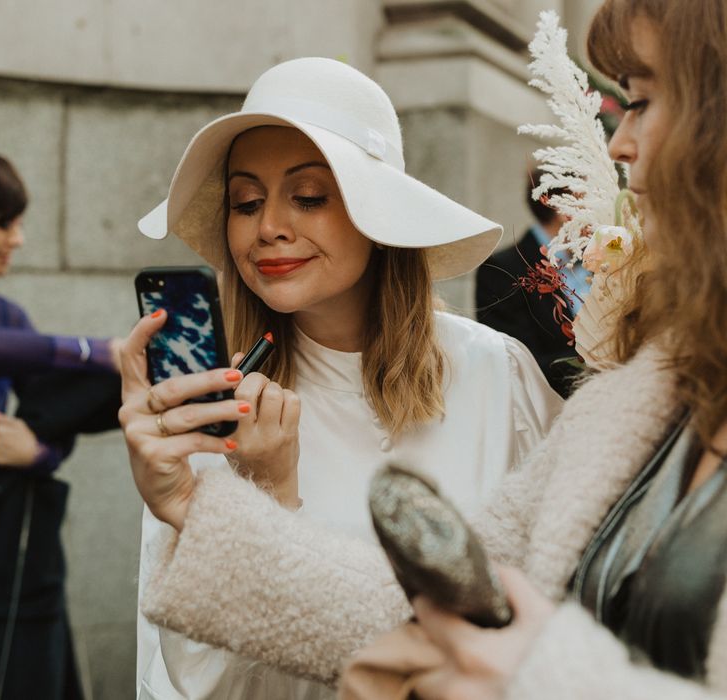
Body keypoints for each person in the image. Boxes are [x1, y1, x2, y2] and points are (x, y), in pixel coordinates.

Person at [123, 1, 727, 698]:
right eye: (246, 201)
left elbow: (495, 641)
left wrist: (537, 676)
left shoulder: (497, 372)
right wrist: (206, 511)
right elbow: (430, 614)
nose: (618, 142)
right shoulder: (628, 404)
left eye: (642, 101)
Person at [122, 57, 562, 699]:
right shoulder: (212, 409)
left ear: (379, 215)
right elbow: (193, 685)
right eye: (245, 202)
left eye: (308, 196)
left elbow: (563, 612)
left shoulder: (498, 373)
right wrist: (261, 497)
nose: (268, 226)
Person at [0, 150, 120, 699]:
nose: (18, 239)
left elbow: (54, 411)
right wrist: (97, 351)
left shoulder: (3, 317)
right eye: (3, 222)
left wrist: (38, 455)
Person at [475, 169, 587, 398]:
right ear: (562, 208)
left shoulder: (599, 263)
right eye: (588, 201)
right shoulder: (502, 271)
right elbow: (518, 362)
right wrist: (601, 370)